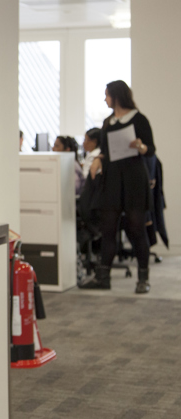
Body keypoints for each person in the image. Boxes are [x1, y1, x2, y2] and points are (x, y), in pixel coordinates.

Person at [84, 80, 155, 294]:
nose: (105, 99)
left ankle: (143, 278)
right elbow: (105, 150)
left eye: (107, 95)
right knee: (108, 229)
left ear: (117, 96)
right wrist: (98, 159)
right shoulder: (108, 122)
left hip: (134, 179)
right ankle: (103, 277)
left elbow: (151, 149)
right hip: (112, 180)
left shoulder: (139, 119)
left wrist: (140, 146)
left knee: (136, 228)